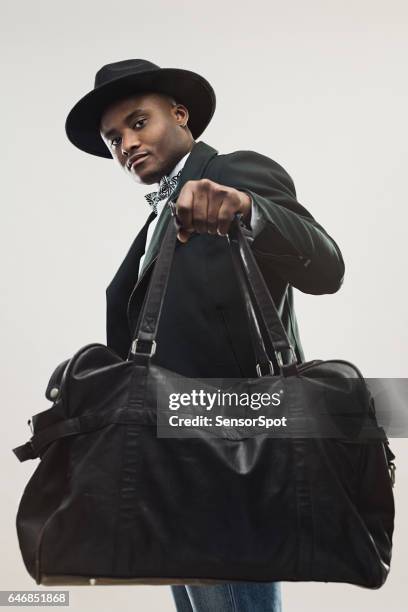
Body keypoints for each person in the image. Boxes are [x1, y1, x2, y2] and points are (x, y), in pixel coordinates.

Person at [65, 58, 345, 612]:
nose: (125, 144)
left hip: (234, 448)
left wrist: (248, 208)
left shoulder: (237, 172)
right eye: (113, 138)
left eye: (138, 123)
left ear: (180, 114)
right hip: (168, 462)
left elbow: (326, 268)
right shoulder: (153, 228)